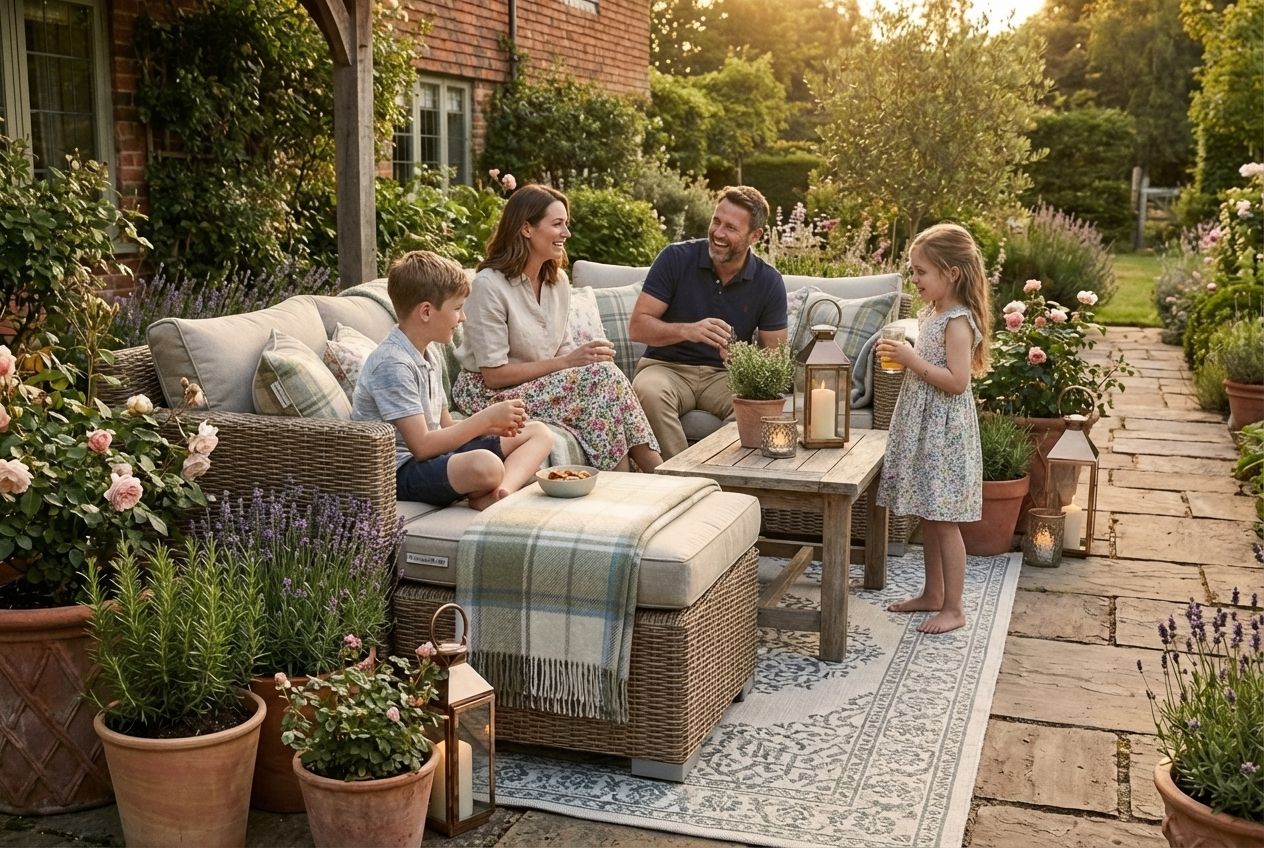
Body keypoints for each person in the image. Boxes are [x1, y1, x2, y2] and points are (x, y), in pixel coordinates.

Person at [452, 184, 663, 472]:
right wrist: (568, 362)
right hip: (489, 396)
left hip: (538, 386)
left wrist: (584, 360)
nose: (567, 233)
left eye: (566, 224)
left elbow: (562, 351)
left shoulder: (557, 283)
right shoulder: (489, 285)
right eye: (557, 224)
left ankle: (642, 476)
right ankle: (650, 476)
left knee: (604, 376)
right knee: (602, 380)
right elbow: (494, 375)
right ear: (526, 228)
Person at [353, 250, 554, 511]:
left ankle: (499, 493)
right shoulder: (393, 363)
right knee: (485, 464)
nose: (463, 318)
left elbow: (444, 425)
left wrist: (492, 428)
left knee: (539, 432)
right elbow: (422, 446)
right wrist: (485, 419)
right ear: (426, 311)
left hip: (432, 457)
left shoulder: (427, 353)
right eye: (457, 308)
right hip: (399, 471)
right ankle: (493, 487)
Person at [873, 223, 991, 634]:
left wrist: (910, 360)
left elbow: (958, 381)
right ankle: (932, 594)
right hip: (927, 428)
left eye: (921, 271)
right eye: (913, 271)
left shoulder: (957, 321)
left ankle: (954, 608)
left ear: (951, 272)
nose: (914, 279)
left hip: (944, 434)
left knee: (944, 520)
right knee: (929, 513)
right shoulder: (933, 313)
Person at [629, 186, 788, 459]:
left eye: (730, 227)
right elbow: (638, 327)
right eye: (716, 221)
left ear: (755, 236)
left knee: (758, 408)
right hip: (667, 369)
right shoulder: (675, 259)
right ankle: (683, 480)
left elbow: (775, 357)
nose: (718, 233)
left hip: (726, 376)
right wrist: (688, 330)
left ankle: (720, 478)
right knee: (647, 391)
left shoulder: (768, 281)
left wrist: (740, 358)